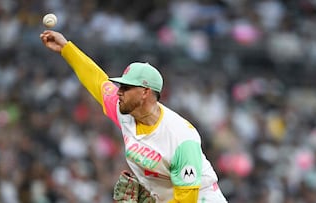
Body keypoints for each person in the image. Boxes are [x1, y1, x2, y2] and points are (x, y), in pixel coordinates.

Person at [39, 30, 228, 203]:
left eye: (126, 88)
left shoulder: (181, 138)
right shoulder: (126, 112)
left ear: (145, 92)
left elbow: (187, 200)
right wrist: (66, 48)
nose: (119, 92)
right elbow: (97, 80)